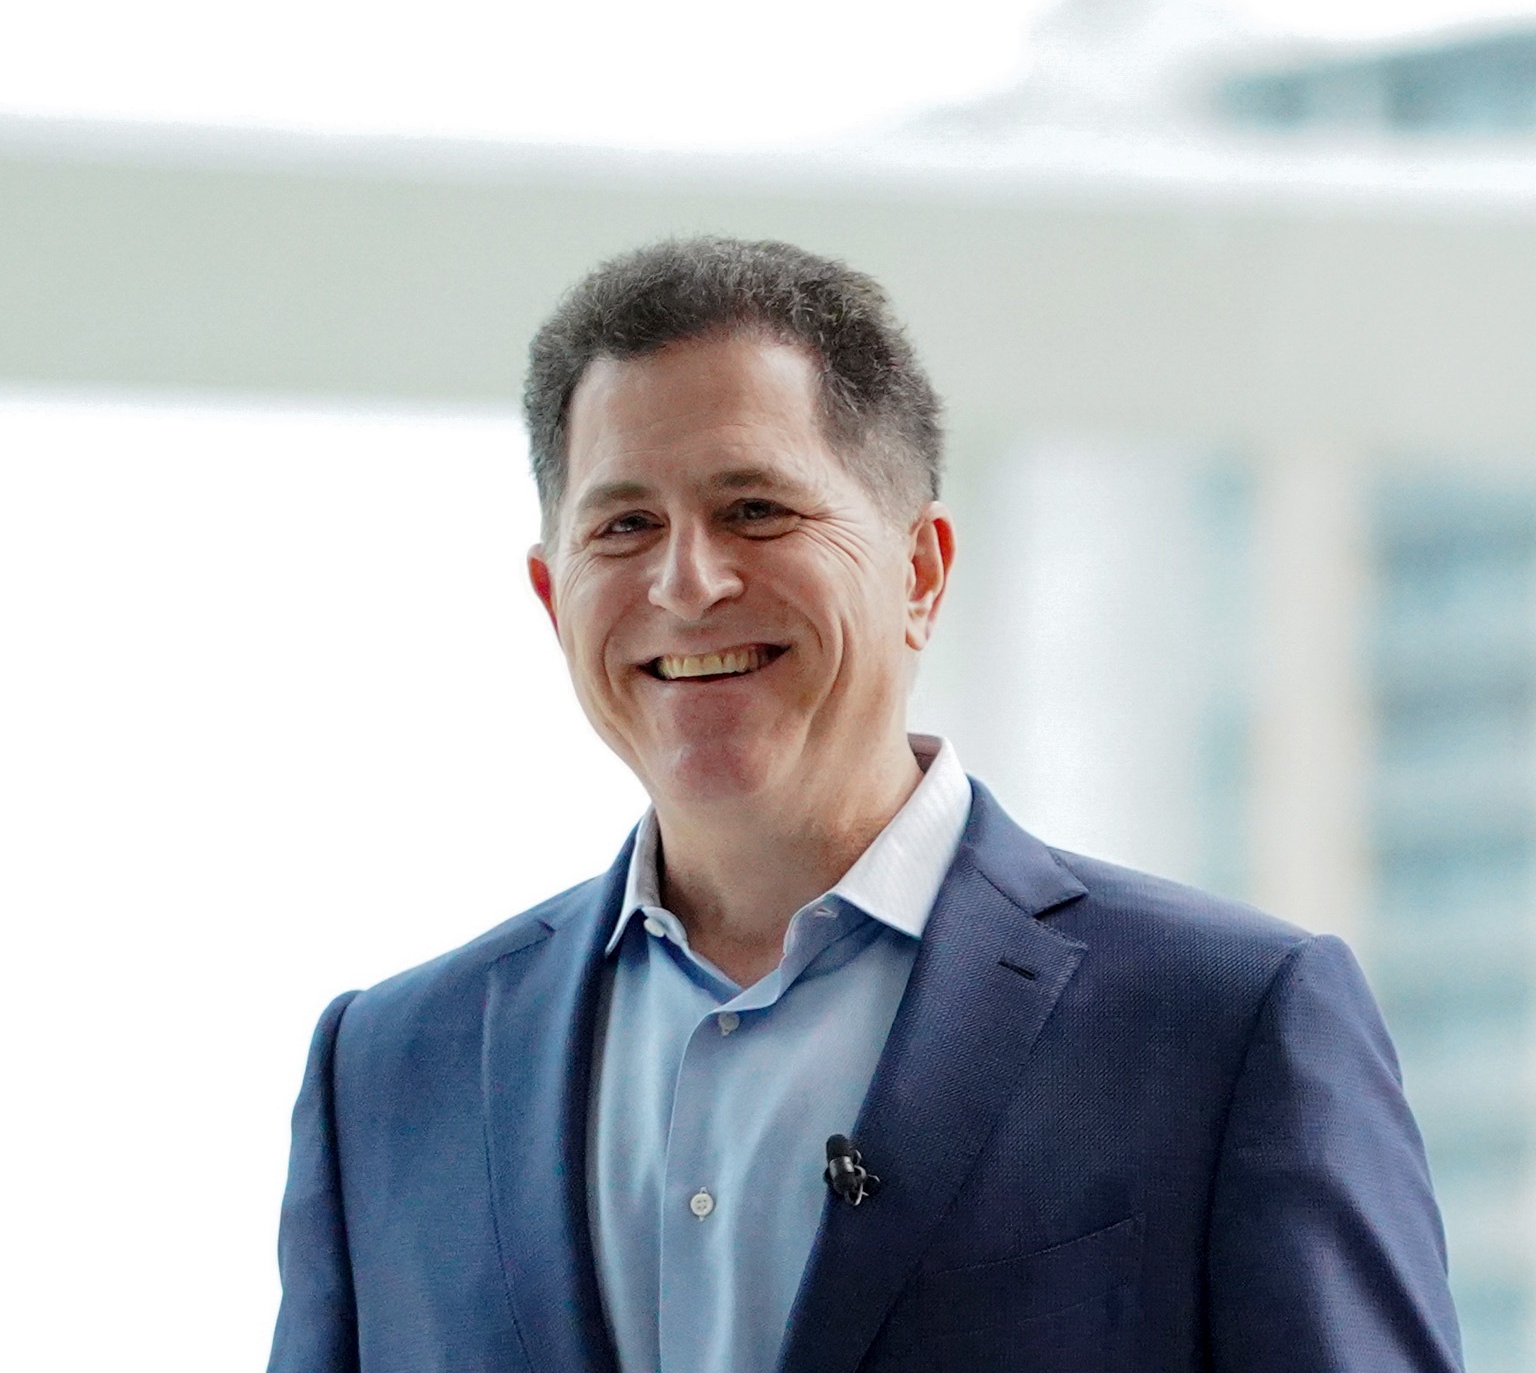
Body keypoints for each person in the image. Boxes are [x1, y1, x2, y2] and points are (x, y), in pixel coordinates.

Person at [268, 237, 1464, 1373]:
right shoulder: (386, 1072)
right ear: (550, 593)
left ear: (921, 571)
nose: (687, 583)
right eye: (625, 526)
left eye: (756, 510)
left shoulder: (1228, 1023)